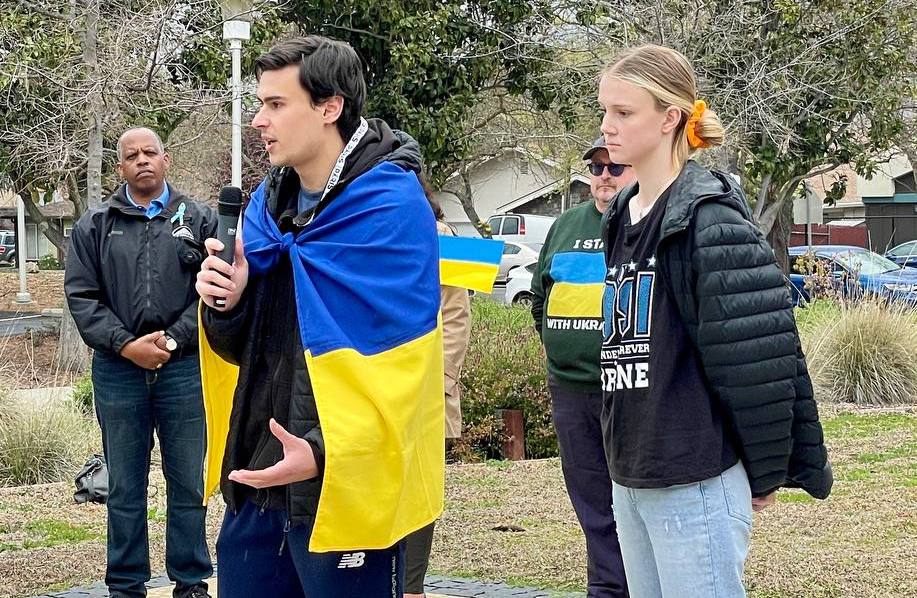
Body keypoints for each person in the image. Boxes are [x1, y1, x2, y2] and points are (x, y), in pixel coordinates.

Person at [195, 36, 443, 598]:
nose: (259, 120)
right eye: (260, 104)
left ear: (329, 107)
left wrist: (322, 452)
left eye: (276, 105)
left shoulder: (392, 207)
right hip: (258, 471)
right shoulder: (266, 207)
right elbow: (246, 351)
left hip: (345, 483)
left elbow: (405, 370)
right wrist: (230, 304)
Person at [596, 45, 833, 597]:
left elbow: (759, 358)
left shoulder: (709, 219)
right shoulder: (621, 215)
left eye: (624, 112)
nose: (607, 126)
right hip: (632, 473)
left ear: (670, 118)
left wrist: (768, 466)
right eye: (605, 110)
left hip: (696, 475)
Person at [65, 127, 215, 598]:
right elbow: (82, 297)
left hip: (185, 370)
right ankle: (126, 585)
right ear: (120, 167)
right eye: (132, 155)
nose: (142, 160)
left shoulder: (201, 219)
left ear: (166, 160)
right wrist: (127, 345)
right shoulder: (95, 225)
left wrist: (171, 340)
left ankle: (190, 581)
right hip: (118, 371)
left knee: (188, 483)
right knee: (124, 487)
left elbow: (215, 291)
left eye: (151, 152)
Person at [530, 137, 634, 597]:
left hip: (628, 387)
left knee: (630, 500)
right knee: (591, 501)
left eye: (615, 167)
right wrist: (563, 350)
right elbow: (539, 299)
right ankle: (607, 589)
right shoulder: (565, 226)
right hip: (570, 388)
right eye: (596, 168)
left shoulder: (642, 222)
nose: (605, 177)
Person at [403, 185, 472, 598]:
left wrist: (441, 382)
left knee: (420, 490)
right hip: (376, 386)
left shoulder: (442, 235)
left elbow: (457, 315)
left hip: (427, 389)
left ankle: (412, 587)